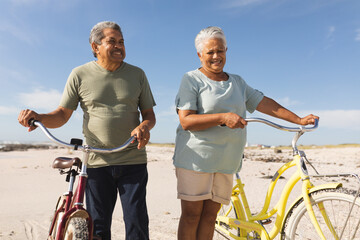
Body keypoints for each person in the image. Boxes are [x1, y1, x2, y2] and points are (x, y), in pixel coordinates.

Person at [172, 26, 319, 240]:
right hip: (196, 160)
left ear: (226, 51)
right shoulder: (191, 79)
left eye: (220, 50)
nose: (216, 56)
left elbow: (265, 103)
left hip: (226, 160)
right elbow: (186, 120)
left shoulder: (238, 82)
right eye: (210, 52)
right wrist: (223, 117)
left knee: (210, 216)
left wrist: (298, 119)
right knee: (192, 216)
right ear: (199, 55)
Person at [18, 21, 156, 240]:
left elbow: (149, 114)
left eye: (121, 41)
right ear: (95, 46)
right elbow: (62, 114)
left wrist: (144, 126)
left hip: (133, 160)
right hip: (96, 162)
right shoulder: (79, 74)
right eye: (112, 41)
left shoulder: (137, 74)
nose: (119, 46)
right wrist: (39, 118)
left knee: (137, 224)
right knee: (97, 228)